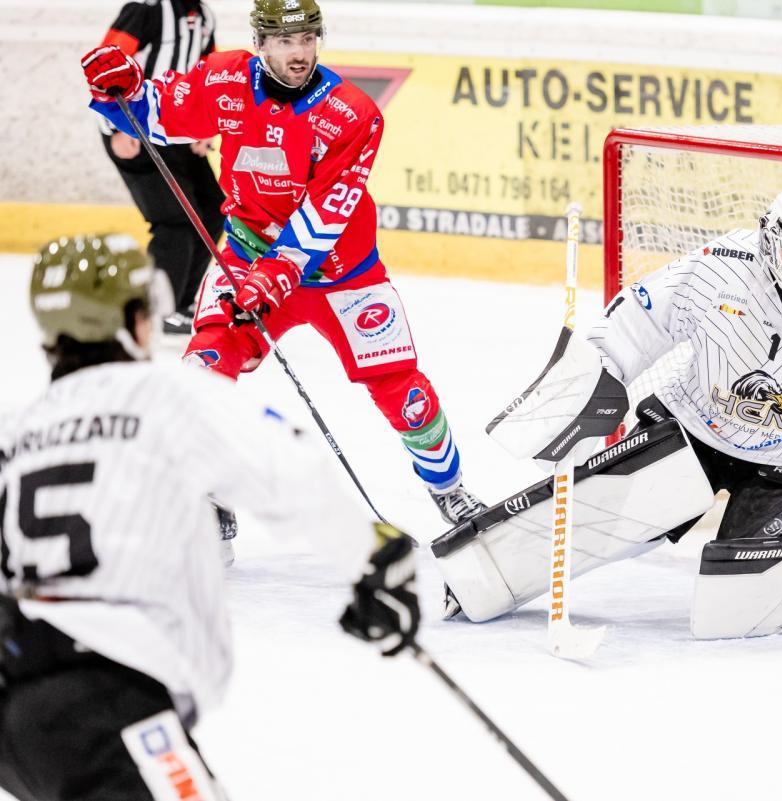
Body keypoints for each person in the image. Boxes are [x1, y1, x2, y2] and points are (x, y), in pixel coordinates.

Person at [0, 234, 421, 800]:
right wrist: (376, 559)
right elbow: (289, 471)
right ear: (134, 319)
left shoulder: (19, 429)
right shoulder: (170, 395)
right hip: (103, 698)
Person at [435, 183, 782, 634]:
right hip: (694, 430)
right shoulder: (717, 268)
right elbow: (638, 318)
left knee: (738, 589)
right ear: (772, 245)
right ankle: (485, 576)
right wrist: (595, 390)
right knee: (608, 515)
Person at [79, 0, 486, 525]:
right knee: (205, 367)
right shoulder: (225, 79)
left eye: (308, 39)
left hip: (341, 273)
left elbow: (328, 208)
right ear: (261, 42)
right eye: (286, 41)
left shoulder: (353, 114)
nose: (300, 53)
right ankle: (207, 495)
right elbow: (163, 112)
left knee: (399, 383)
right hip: (248, 256)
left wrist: (279, 270)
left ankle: (450, 491)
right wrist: (124, 88)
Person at [95, 0, 224, 335]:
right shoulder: (146, 8)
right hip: (135, 128)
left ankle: (179, 303)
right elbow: (103, 63)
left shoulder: (205, 15)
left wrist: (205, 124)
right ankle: (153, 310)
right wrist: (116, 128)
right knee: (175, 222)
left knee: (212, 209)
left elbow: (207, 74)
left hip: (178, 130)